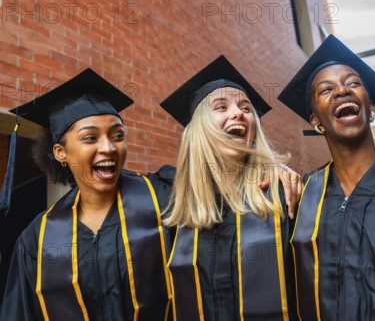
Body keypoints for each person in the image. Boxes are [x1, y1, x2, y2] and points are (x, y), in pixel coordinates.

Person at [278, 35, 375, 320]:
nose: (342, 91)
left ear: (370, 106)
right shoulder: (306, 195)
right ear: (316, 120)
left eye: (353, 83)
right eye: (326, 89)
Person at [0, 69, 172, 320]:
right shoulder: (37, 239)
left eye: (118, 135)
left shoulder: (164, 200)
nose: (109, 147)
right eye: (90, 138)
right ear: (61, 153)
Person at [159, 55, 299, 321]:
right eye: (221, 107)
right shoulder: (172, 203)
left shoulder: (282, 195)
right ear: (198, 129)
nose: (238, 113)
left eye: (246, 108)